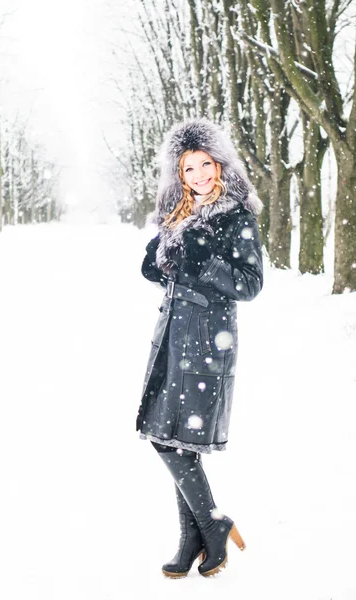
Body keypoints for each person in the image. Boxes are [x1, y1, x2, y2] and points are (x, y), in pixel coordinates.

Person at [135, 117, 264, 579]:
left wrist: (205, 258)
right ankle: (192, 535)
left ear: (220, 164)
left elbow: (250, 284)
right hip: (172, 338)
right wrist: (161, 260)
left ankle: (210, 524)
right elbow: (166, 269)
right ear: (180, 174)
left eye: (205, 165)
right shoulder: (178, 213)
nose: (199, 176)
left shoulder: (237, 216)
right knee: (169, 437)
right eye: (188, 169)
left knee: (172, 440)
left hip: (209, 341)